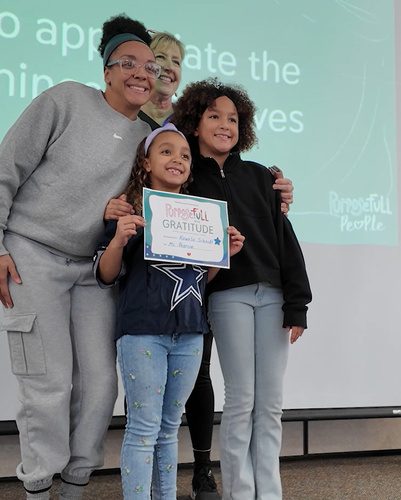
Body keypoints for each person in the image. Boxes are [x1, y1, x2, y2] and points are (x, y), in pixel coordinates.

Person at [0, 14, 161, 500]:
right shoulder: (65, 100)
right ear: (107, 70)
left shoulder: (148, 135)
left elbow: (175, 181)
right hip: (30, 253)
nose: (141, 73)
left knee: (100, 386)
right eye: (128, 63)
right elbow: (6, 166)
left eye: (150, 65)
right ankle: (39, 484)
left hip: (94, 271)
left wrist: (271, 194)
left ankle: (76, 483)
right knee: (47, 381)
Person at [170, 78, 312, 500]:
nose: (224, 124)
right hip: (226, 296)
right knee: (241, 399)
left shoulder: (260, 177)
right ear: (194, 124)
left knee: (270, 403)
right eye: (214, 115)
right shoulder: (187, 177)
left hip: (272, 298)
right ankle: (239, 492)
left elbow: (285, 241)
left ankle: (268, 493)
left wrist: (297, 304)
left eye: (233, 118)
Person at [94, 123, 244, 499]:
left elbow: (200, 280)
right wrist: (117, 240)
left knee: (167, 428)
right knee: (143, 428)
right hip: (142, 330)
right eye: (165, 151)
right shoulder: (128, 211)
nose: (176, 158)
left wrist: (223, 255)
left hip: (191, 332)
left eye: (184, 155)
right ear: (145, 163)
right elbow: (106, 275)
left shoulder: (201, 217)